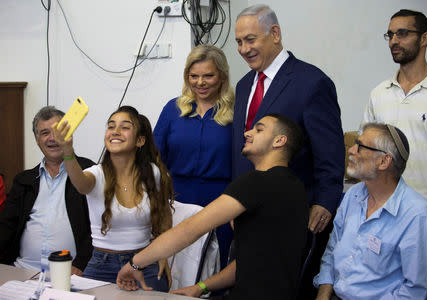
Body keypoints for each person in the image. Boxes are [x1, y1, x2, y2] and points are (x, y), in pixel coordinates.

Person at [116, 114, 309, 300]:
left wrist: (134, 264)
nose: (247, 133)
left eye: (259, 130)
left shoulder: (257, 182)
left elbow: (189, 229)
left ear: (279, 141)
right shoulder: (297, 189)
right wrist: (201, 287)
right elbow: (253, 262)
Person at [232, 4, 345, 296]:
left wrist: (325, 201)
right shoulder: (244, 85)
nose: (244, 49)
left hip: (292, 215)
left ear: (275, 34)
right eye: (239, 42)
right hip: (247, 213)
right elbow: (241, 150)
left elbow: (329, 152)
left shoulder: (311, 82)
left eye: (251, 39)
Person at [361, 9, 427, 298]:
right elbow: (366, 156)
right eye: (390, 34)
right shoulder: (379, 94)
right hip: (384, 220)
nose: (393, 41)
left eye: (402, 33)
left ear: (425, 38)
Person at [52, 105, 173, 291]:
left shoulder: (153, 172)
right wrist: (67, 151)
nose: (115, 131)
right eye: (111, 126)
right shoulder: (96, 173)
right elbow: (81, 184)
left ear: (140, 140)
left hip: (145, 261)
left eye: (125, 127)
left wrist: (163, 254)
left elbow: (164, 214)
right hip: (102, 264)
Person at [314, 123, 427, 300]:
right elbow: (332, 252)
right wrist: (323, 294)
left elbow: (413, 293)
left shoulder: (417, 215)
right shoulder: (353, 195)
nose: (351, 150)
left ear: (384, 161)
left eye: (361, 146)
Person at [154, 44, 234, 268]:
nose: (200, 82)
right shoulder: (173, 109)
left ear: (222, 76)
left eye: (208, 75)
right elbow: (155, 157)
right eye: (194, 76)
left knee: (216, 264)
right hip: (177, 198)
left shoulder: (236, 111)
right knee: (177, 264)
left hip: (222, 201)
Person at [0, 106, 94, 275]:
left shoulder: (89, 172)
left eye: (57, 131)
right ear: (37, 139)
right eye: (44, 133)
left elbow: (100, 226)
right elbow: (6, 227)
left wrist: (81, 264)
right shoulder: (23, 180)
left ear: (69, 133)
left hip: (70, 273)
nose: (52, 138)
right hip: (23, 270)